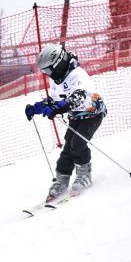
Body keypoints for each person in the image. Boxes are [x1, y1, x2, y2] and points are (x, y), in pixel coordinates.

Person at [25, 45, 108, 202]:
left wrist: (58, 108)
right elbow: (54, 99)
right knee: (68, 147)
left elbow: (78, 97)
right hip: (76, 116)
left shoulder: (78, 75)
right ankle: (62, 179)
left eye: (49, 70)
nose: (49, 75)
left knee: (77, 145)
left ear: (58, 64)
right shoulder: (57, 79)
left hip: (92, 114)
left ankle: (84, 175)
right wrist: (37, 108)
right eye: (46, 72)